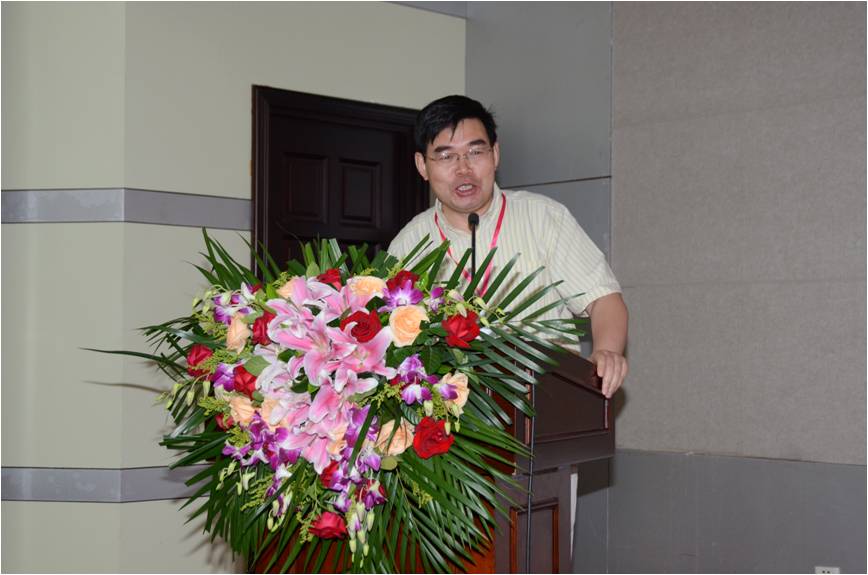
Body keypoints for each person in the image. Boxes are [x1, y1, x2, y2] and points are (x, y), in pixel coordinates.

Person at [388, 95, 628, 398]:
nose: (464, 169)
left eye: (476, 152)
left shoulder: (543, 218)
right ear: (422, 165)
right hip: (454, 413)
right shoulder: (409, 245)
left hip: (549, 402)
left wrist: (607, 351)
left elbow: (603, 299)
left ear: (496, 154)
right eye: (447, 157)